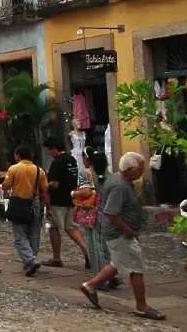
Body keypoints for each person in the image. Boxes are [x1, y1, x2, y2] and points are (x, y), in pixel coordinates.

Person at [80, 152, 165, 321]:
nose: (143, 171)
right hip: (119, 233)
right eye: (140, 168)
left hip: (117, 232)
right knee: (136, 268)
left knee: (117, 263)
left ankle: (90, 285)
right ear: (130, 169)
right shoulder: (119, 185)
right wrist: (126, 229)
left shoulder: (121, 181)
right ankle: (141, 306)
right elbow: (111, 212)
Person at [73, 147, 118, 291]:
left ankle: (99, 278)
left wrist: (73, 193)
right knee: (105, 247)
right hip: (107, 213)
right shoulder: (108, 175)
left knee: (93, 246)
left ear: (87, 159)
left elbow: (86, 192)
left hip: (91, 213)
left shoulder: (86, 173)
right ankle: (109, 276)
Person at [2, 145, 50, 276]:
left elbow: (6, 185)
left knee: (19, 235)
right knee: (34, 234)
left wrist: (5, 183)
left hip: (19, 203)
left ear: (18, 155)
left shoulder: (14, 169)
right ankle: (31, 258)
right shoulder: (39, 170)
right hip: (35, 203)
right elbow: (44, 189)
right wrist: (48, 207)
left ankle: (30, 260)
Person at [42, 137, 89, 268]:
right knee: (71, 227)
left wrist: (45, 186)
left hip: (57, 200)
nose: (48, 153)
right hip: (71, 198)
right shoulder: (72, 160)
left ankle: (56, 258)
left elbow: (55, 184)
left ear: (54, 149)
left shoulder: (57, 162)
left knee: (53, 227)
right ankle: (87, 250)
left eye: (48, 150)